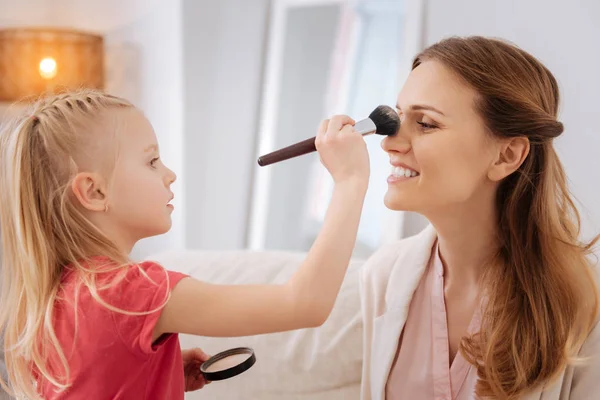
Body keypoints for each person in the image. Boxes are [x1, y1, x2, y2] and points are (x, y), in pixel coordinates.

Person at [0, 90, 370, 399]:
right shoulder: (132, 292)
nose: (169, 174)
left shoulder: (58, 296)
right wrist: (350, 181)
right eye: (152, 160)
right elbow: (304, 304)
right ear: (94, 191)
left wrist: (152, 373)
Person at [359, 36, 600, 400]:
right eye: (398, 117)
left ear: (506, 155)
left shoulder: (586, 302)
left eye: (425, 123)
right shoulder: (382, 276)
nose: (390, 143)